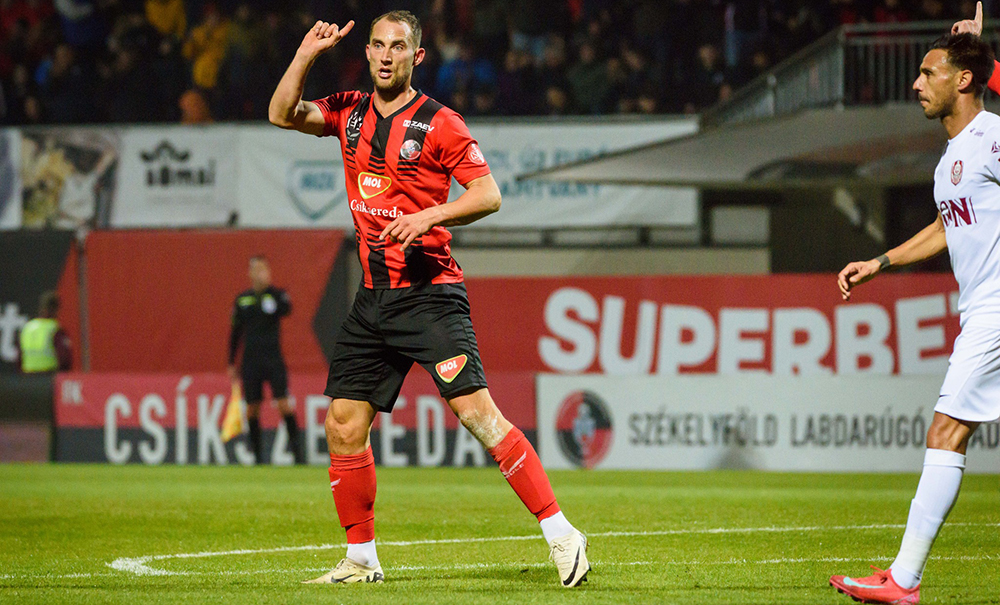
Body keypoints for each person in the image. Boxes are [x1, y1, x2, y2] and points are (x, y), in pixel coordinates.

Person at [268, 10, 589, 587]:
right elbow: (281, 113)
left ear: (417, 57)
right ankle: (361, 559)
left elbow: (488, 195)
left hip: (430, 296)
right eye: (377, 45)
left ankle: (563, 534)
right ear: (367, 52)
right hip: (373, 299)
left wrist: (430, 216)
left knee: (477, 416)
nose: (385, 55)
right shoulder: (349, 111)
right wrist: (305, 55)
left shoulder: (441, 122)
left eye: (398, 47)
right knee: (343, 424)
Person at [829, 31, 999, 605]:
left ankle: (904, 580)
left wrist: (993, 64)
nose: (916, 84)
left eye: (929, 73)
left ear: (964, 80)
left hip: (996, 309)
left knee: (945, 432)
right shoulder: (951, 159)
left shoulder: (993, 138)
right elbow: (946, 227)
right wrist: (879, 263)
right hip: (980, 308)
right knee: (949, 432)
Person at [227, 255, 302, 464]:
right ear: (250, 273)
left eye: (263, 269)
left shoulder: (276, 296)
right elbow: (235, 333)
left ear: (268, 272)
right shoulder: (243, 299)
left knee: (283, 403)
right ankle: (258, 458)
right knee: (252, 408)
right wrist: (231, 362)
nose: (260, 273)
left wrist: (272, 292)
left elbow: (287, 309)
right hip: (251, 362)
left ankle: (299, 455)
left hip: (273, 360)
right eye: (256, 269)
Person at [16, 291, 72, 373]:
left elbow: (19, 358)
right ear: (55, 309)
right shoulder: (54, 329)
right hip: (49, 376)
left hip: (28, 377)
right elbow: (64, 358)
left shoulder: (27, 328)